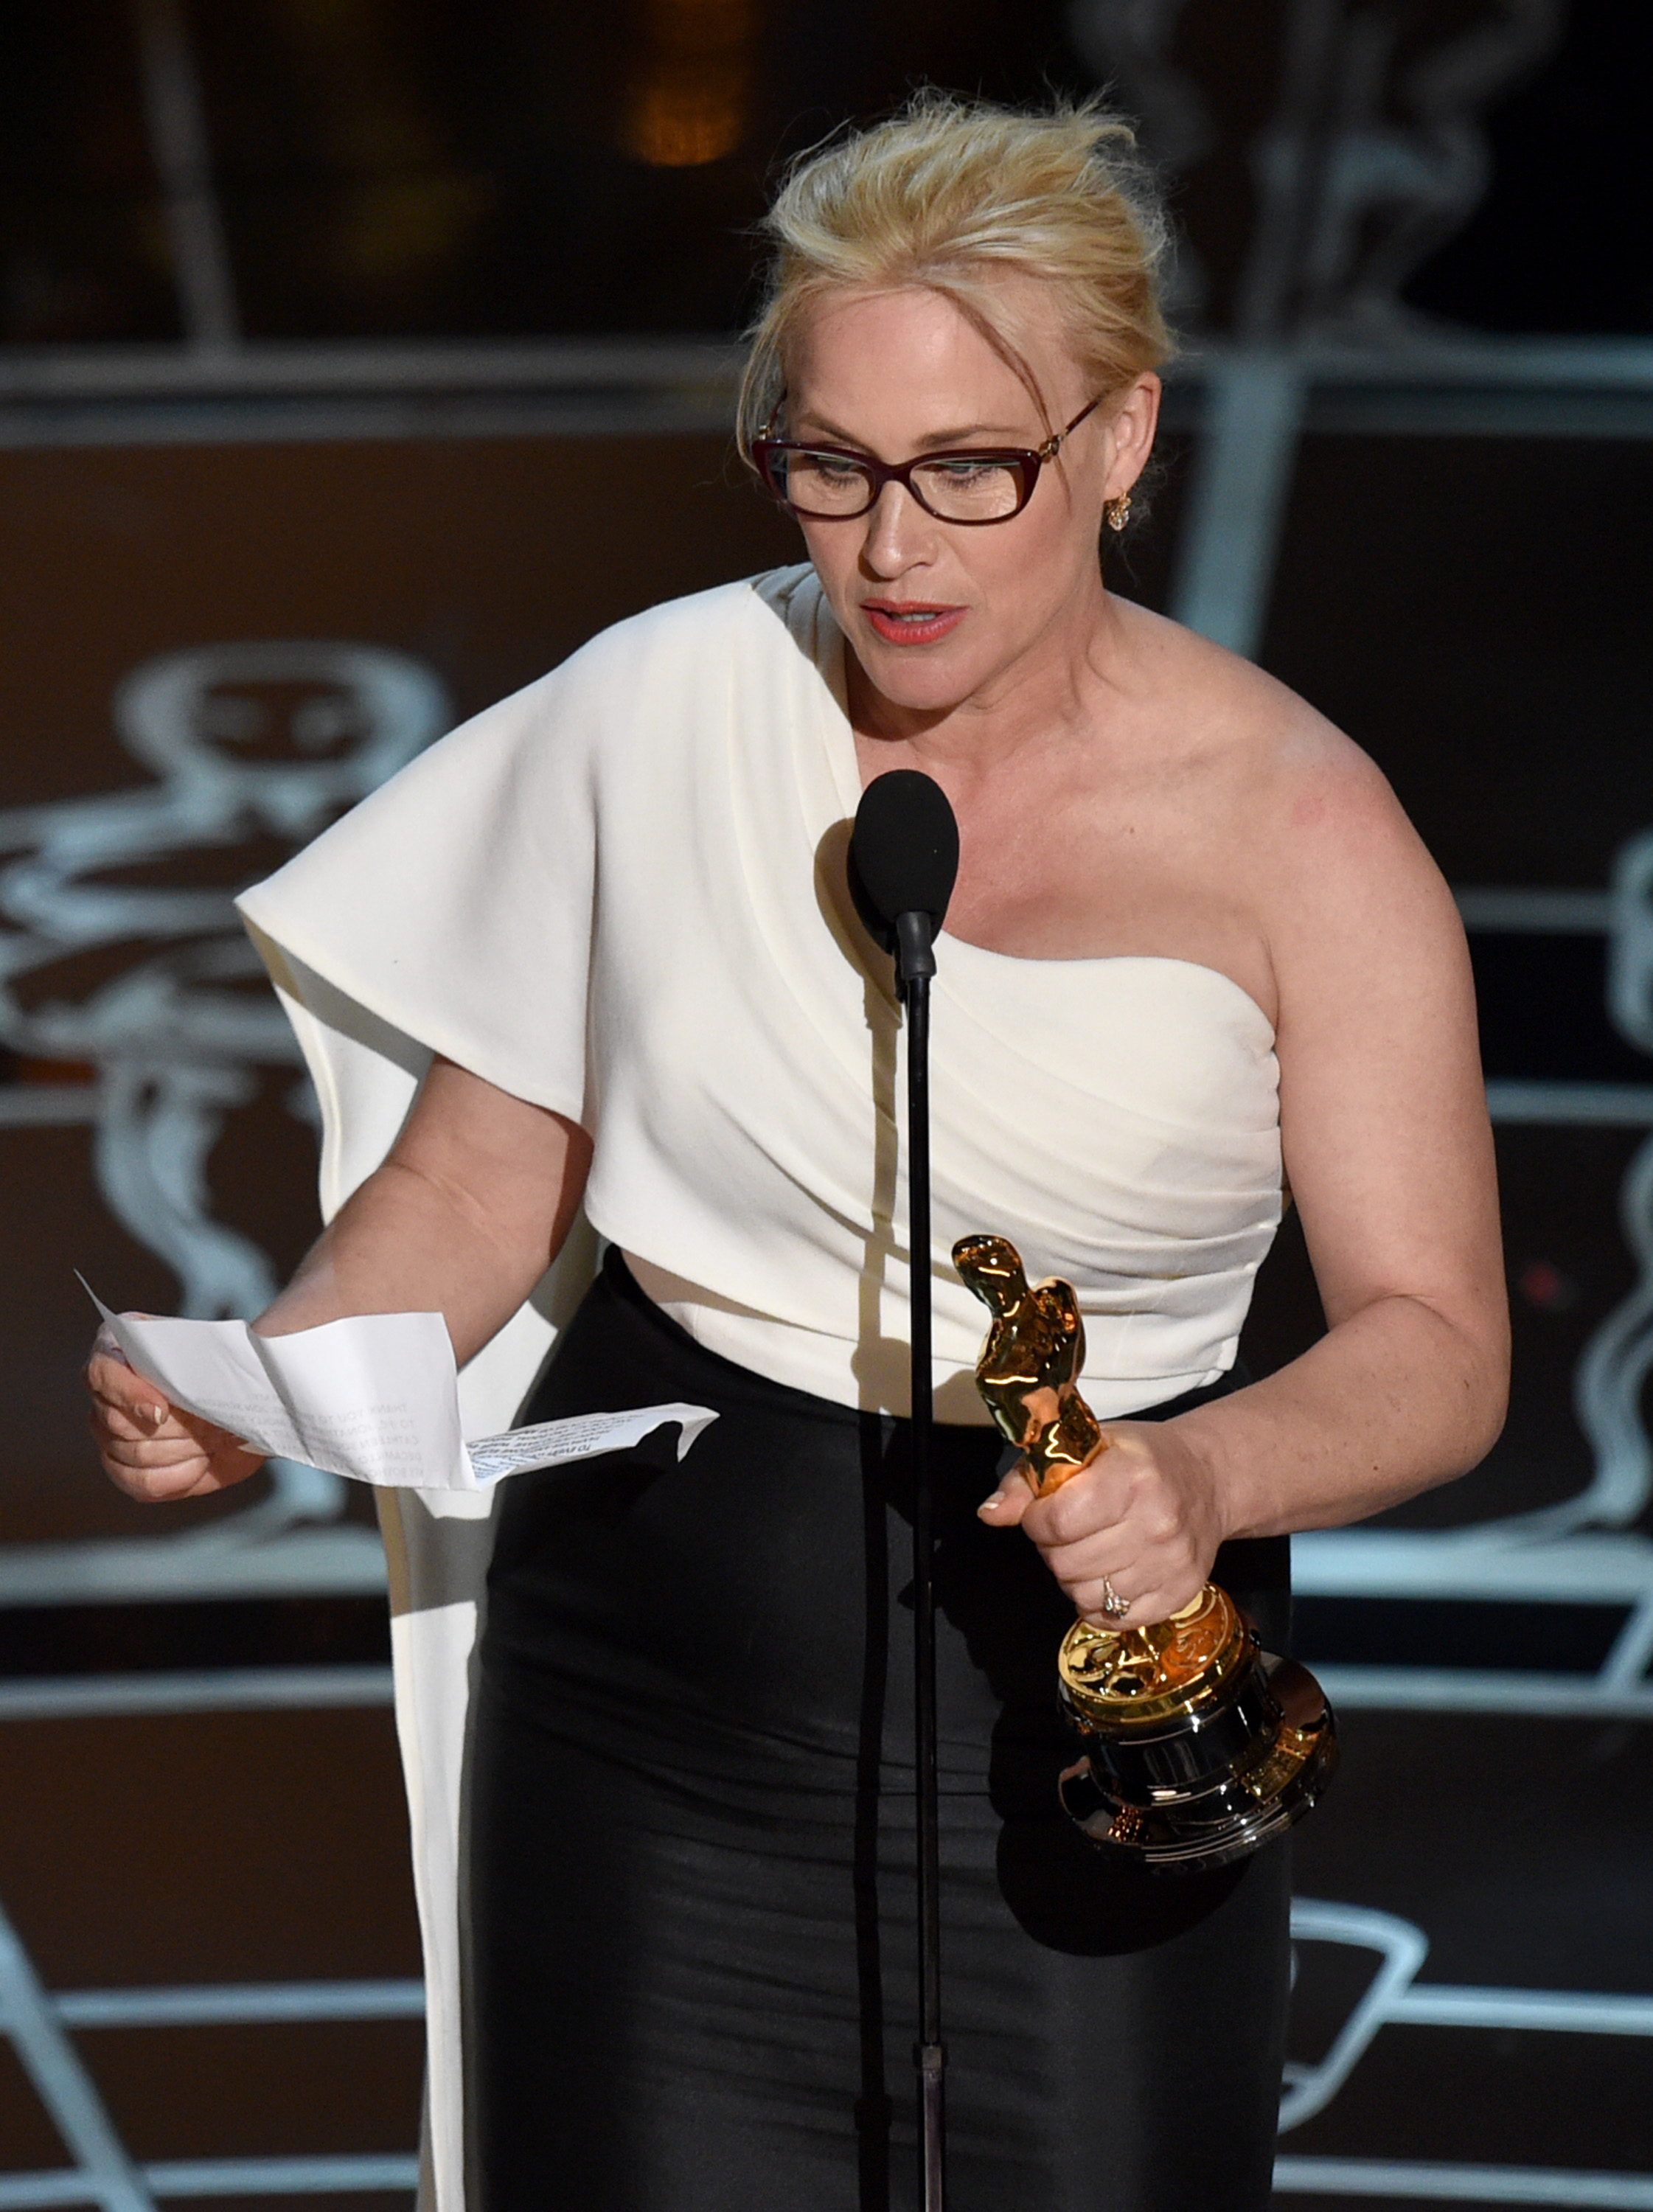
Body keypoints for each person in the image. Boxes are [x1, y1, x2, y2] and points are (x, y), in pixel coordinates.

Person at [87, 91, 1508, 2212]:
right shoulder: (664, 706)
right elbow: (482, 1181)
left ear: (1119, 440)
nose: (890, 547)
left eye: (967, 471)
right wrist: (276, 1377)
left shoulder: (1303, 829)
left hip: (1086, 1702)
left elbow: (1436, 1342)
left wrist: (1200, 1477)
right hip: (645, 1707)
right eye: (830, 466)